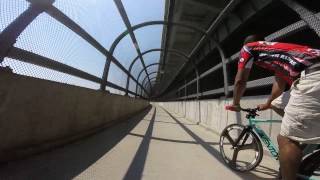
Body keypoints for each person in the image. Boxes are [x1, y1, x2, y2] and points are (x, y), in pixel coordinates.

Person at [226, 35, 320, 180]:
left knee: (286, 139)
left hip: (314, 75)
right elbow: (280, 83)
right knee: (277, 104)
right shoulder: (276, 51)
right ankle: (304, 131)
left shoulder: (249, 48)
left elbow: (240, 81)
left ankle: (298, 135)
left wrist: (236, 103)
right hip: (312, 73)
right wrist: (269, 103)